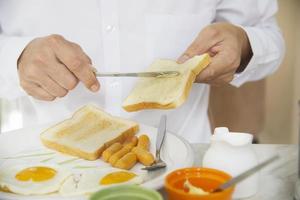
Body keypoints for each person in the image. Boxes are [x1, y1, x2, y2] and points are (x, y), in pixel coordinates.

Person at [0, 0, 284, 143]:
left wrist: (245, 45)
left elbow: (269, 36)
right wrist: (17, 58)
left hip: (180, 172)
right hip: (49, 173)